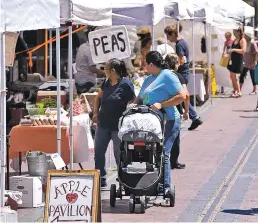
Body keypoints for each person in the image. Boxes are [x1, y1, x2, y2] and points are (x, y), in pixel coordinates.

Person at [133, 51, 187, 194]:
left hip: (168, 120)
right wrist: (133, 105)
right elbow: (140, 97)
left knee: (163, 153)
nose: (144, 66)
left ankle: (165, 188)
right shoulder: (149, 78)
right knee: (149, 154)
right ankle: (152, 183)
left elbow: (182, 96)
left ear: (151, 64)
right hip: (150, 123)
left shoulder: (168, 75)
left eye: (145, 63)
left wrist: (161, 105)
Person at [92, 59, 135, 187]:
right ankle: (101, 179)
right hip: (103, 124)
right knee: (98, 153)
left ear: (113, 71)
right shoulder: (105, 83)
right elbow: (98, 98)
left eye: (106, 69)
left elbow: (133, 102)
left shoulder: (126, 84)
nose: (104, 71)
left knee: (119, 154)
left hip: (118, 126)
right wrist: (95, 113)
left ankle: (123, 179)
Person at [165, 24, 203, 130]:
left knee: (181, 96)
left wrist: (173, 65)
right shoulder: (182, 42)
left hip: (182, 73)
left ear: (173, 34)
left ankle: (193, 117)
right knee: (181, 96)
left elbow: (181, 60)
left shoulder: (179, 45)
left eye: (168, 36)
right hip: (185, 72)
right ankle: (192, 116)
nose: (168, 39)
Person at [165, 53, 190, 170]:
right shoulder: (179, 76)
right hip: (175, 110)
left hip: (160, 110)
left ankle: (160, 161)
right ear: (176, 63)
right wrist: (187, 111)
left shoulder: (161, 75)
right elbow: (186, 95)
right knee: (175, 137)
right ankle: (173, 162)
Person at [75, 27, 105, 94]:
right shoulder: (91, 49)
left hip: (80, 80)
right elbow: (92, 69)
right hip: (86, 82)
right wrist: (105, 73)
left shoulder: (83, 46)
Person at [227, 27, 247, 98]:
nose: (234, 33)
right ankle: (235, 90)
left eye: (235, 32)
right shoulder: (235, 40)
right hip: (233, 60)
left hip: (238, 60)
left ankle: (239, 91)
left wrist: (233, 50)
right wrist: (229, 57)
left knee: (234, 76)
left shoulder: (242, 40)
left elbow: (243, 51)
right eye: (233, 32)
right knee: (232, 76)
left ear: (239, 32)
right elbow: (232, 50)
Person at [239, 30, 258, 95]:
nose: (244, 36)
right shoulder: (244, 42)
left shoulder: (252, 43)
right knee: (242, 76)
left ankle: (254, 90)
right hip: (245, 63)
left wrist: (255, 61)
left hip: (251, 63)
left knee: (252, 77)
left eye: (245, 35)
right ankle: (239, 90)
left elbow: (256, 53)